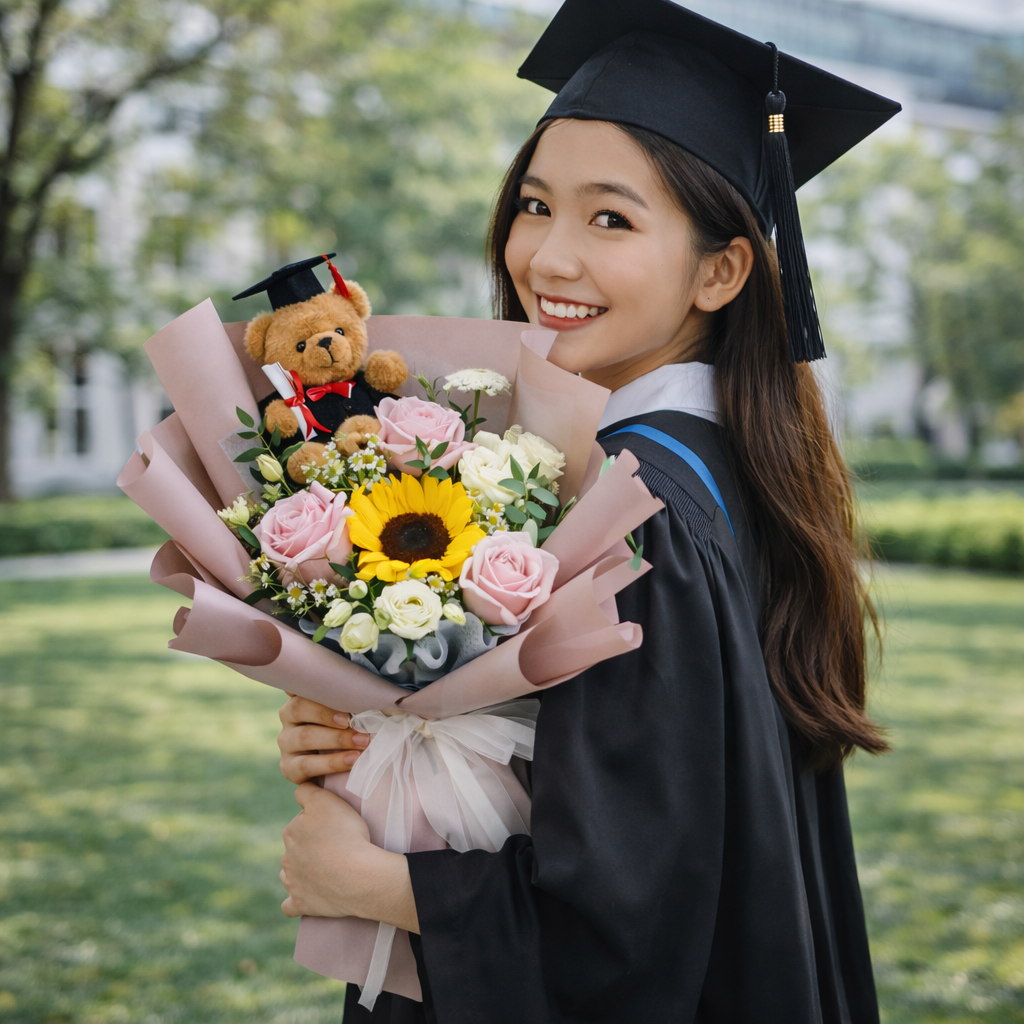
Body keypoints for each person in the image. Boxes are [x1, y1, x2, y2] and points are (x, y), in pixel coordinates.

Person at [274, 1, 902, 1020]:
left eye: (611, 218)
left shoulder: (632, 508)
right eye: (534, 205)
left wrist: (373, 883)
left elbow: (624, 934)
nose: (548, 260)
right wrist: (384, 738)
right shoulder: (733, 468)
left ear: (721, 269)